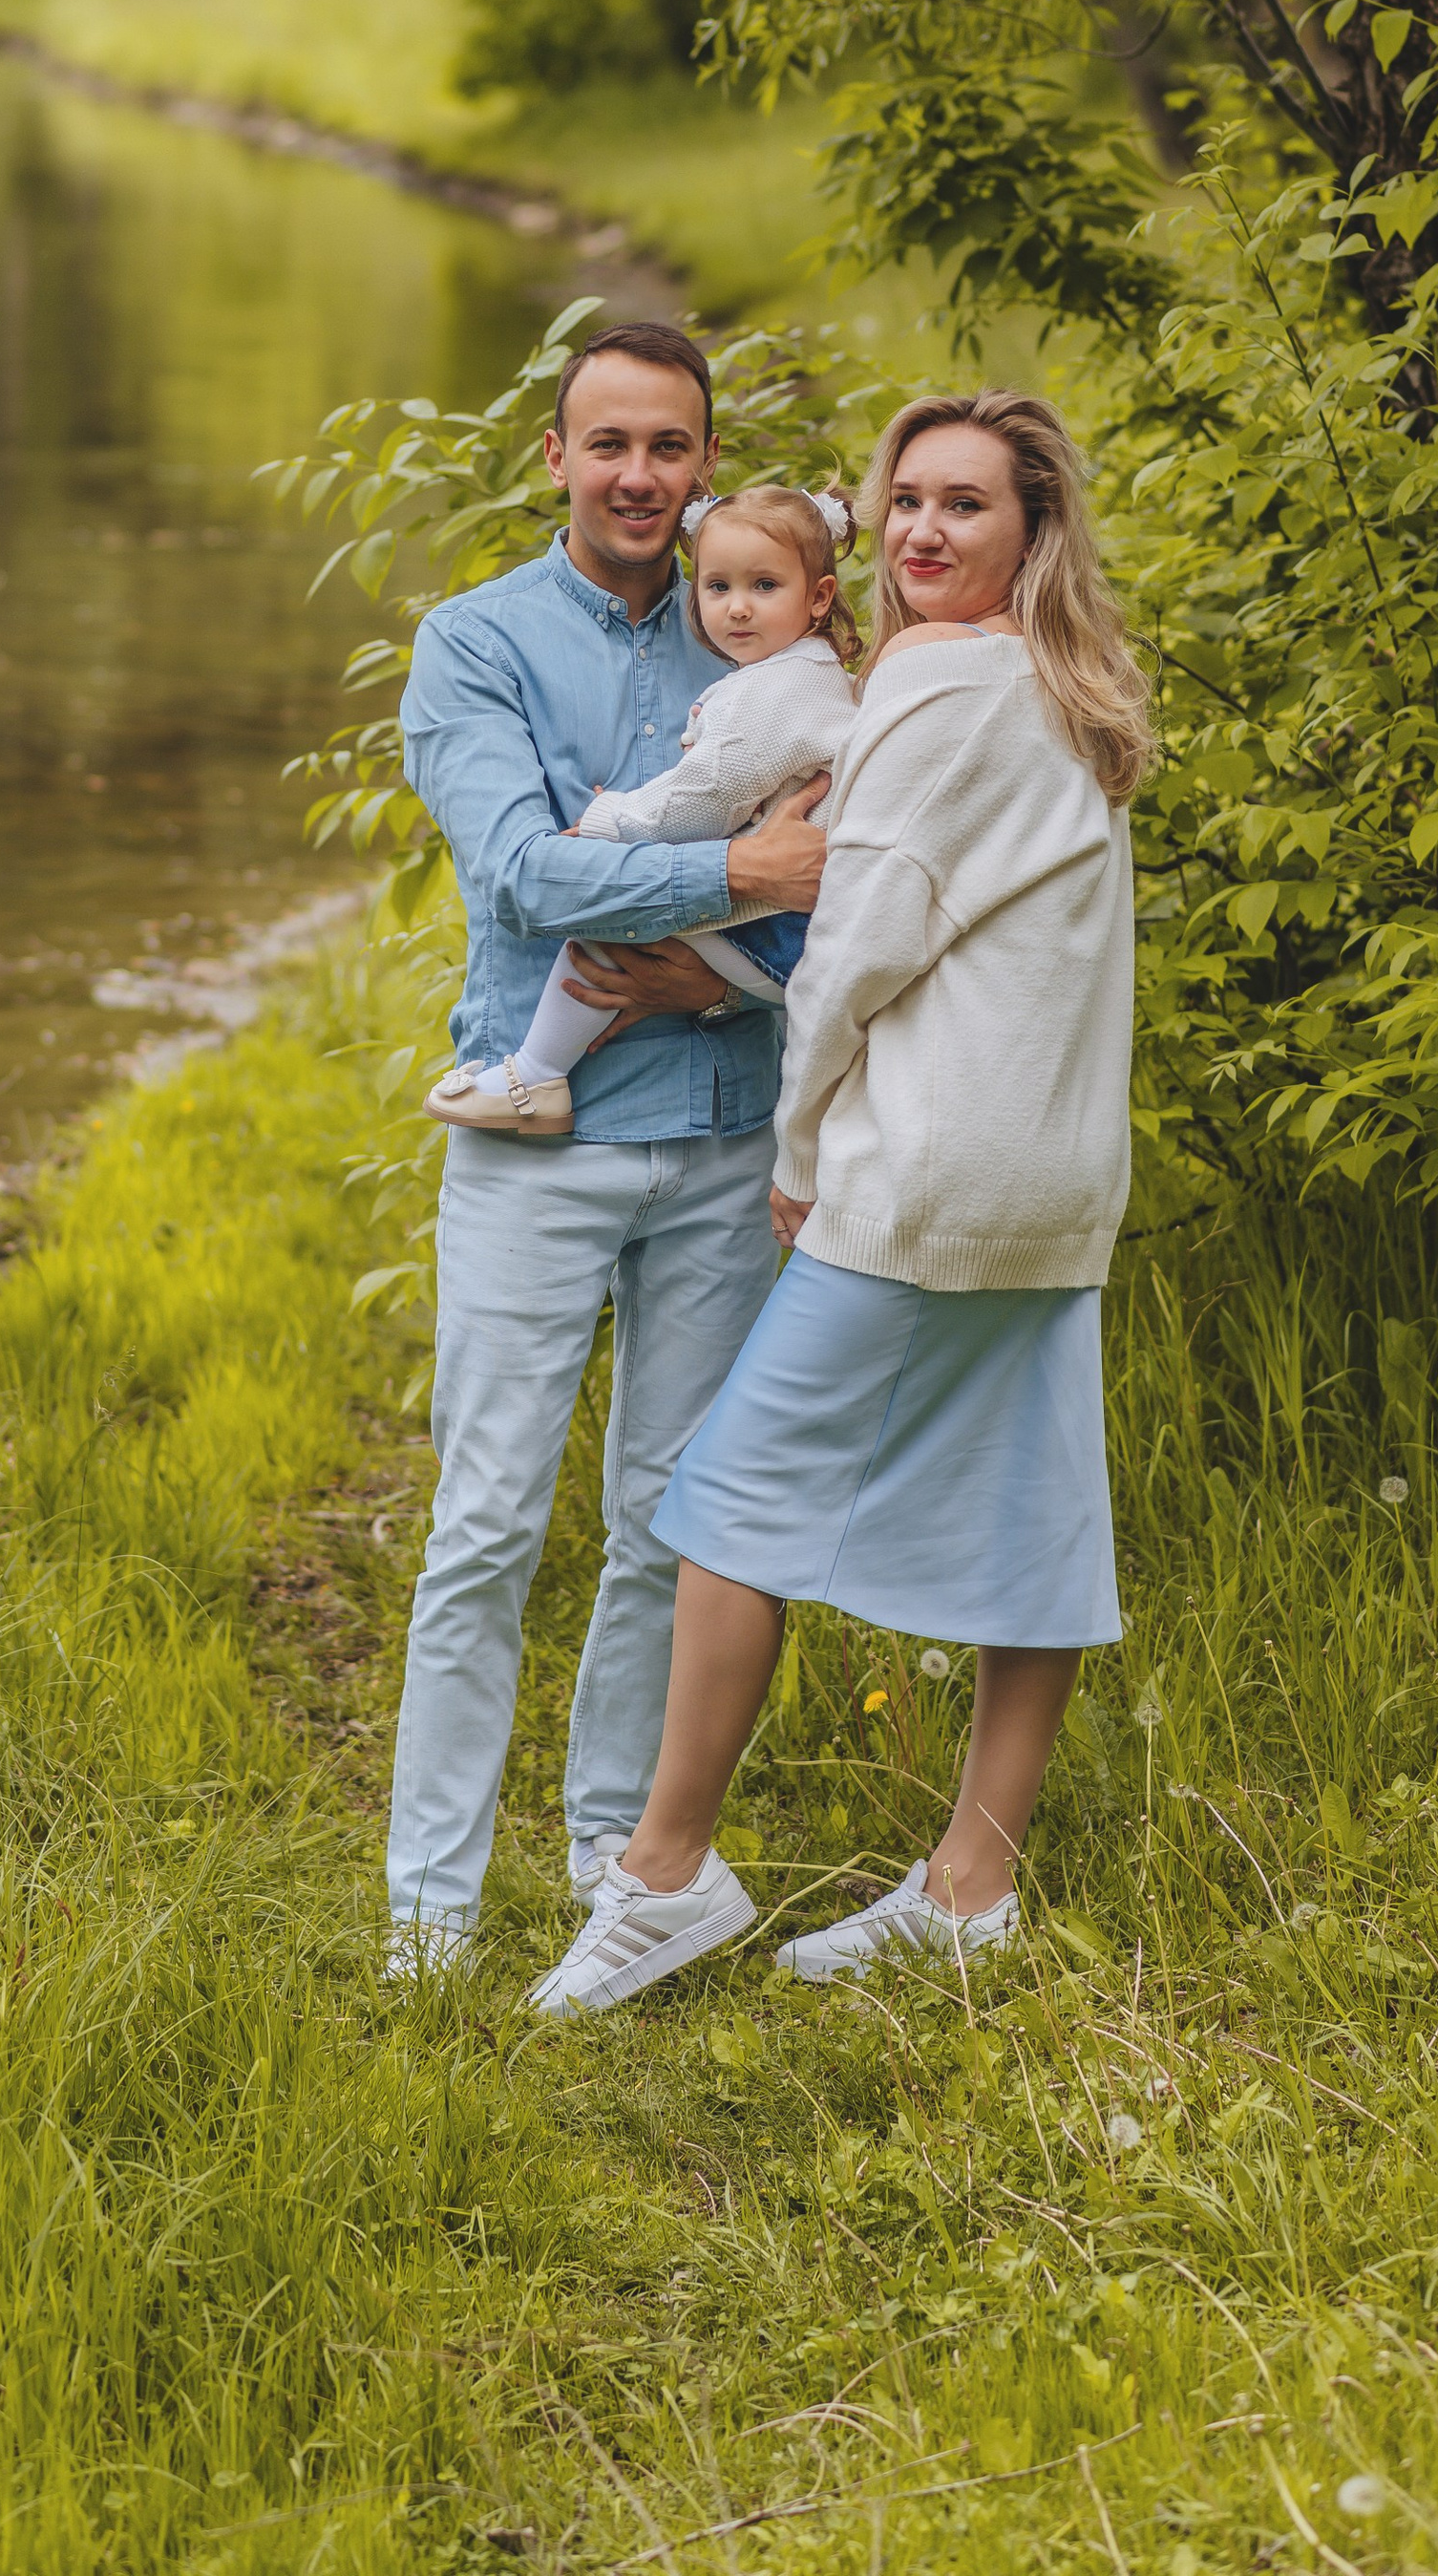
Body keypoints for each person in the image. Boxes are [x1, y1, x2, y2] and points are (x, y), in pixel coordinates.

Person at [524, 387, 1152, 2015]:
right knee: (1031, 1510)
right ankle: (970, 1887)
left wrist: (801, 1156)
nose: (926, 530)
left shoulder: (937, 685)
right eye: (910, 500)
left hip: (930, 1164)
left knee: (724, 1504)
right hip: (1052, 1172)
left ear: (1032, 530)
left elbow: (856, 956)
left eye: (968, 504)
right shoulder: (1064, 690)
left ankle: (666, 1871)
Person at [386, 324, 834, 1970]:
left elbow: (855, 861)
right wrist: (744, 878)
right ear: (558, 456)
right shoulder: (478, 641)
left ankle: (615, 1862)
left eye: (669, 446)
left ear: (706, 460)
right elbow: (520, 878)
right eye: (610, 444)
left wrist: (726, 945)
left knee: (666, 1521)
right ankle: (429, 1911)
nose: (639, 476)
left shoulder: (771, 626)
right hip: (542, 1143)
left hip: (722, 1137)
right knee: (487, 1523)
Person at [423, 483, 861, 1136]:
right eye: (718, 588)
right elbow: (520, 877)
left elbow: (706, 796)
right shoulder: (799, 672)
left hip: (778, 932)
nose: (738, 608)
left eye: (765, 587)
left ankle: (535, 1076)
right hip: (803, 931)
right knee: (626, 899)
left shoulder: (776, 690)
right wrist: (744, 865)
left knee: (609, 918)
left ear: (819, 597)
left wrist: (612, 820)